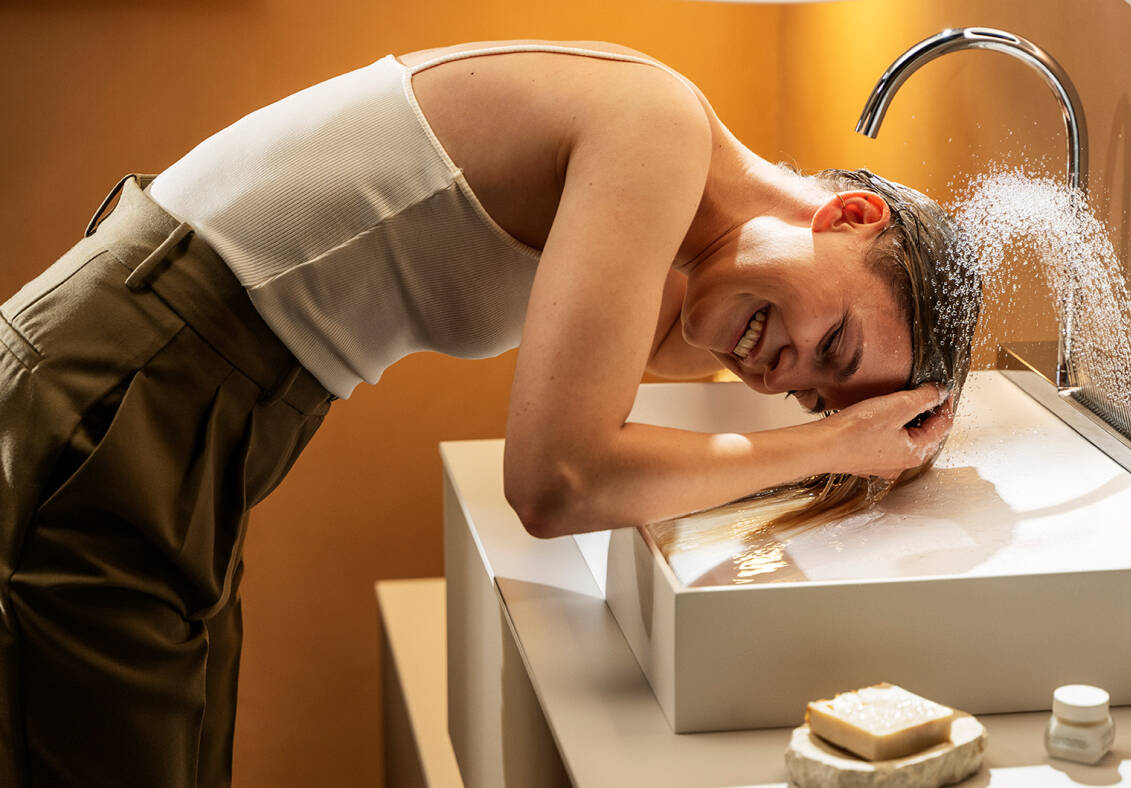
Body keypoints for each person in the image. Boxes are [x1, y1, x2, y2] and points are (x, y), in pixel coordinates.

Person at [0, 39, 975, 787]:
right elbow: (559, 479)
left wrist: (879, 419)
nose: (781, 374)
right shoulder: (657, 129)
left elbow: (666, 357)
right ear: (846, 217)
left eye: (812, 384)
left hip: (186, 404)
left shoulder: (675, 225)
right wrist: (826, 438)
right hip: (135, 378)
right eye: (834, 343)